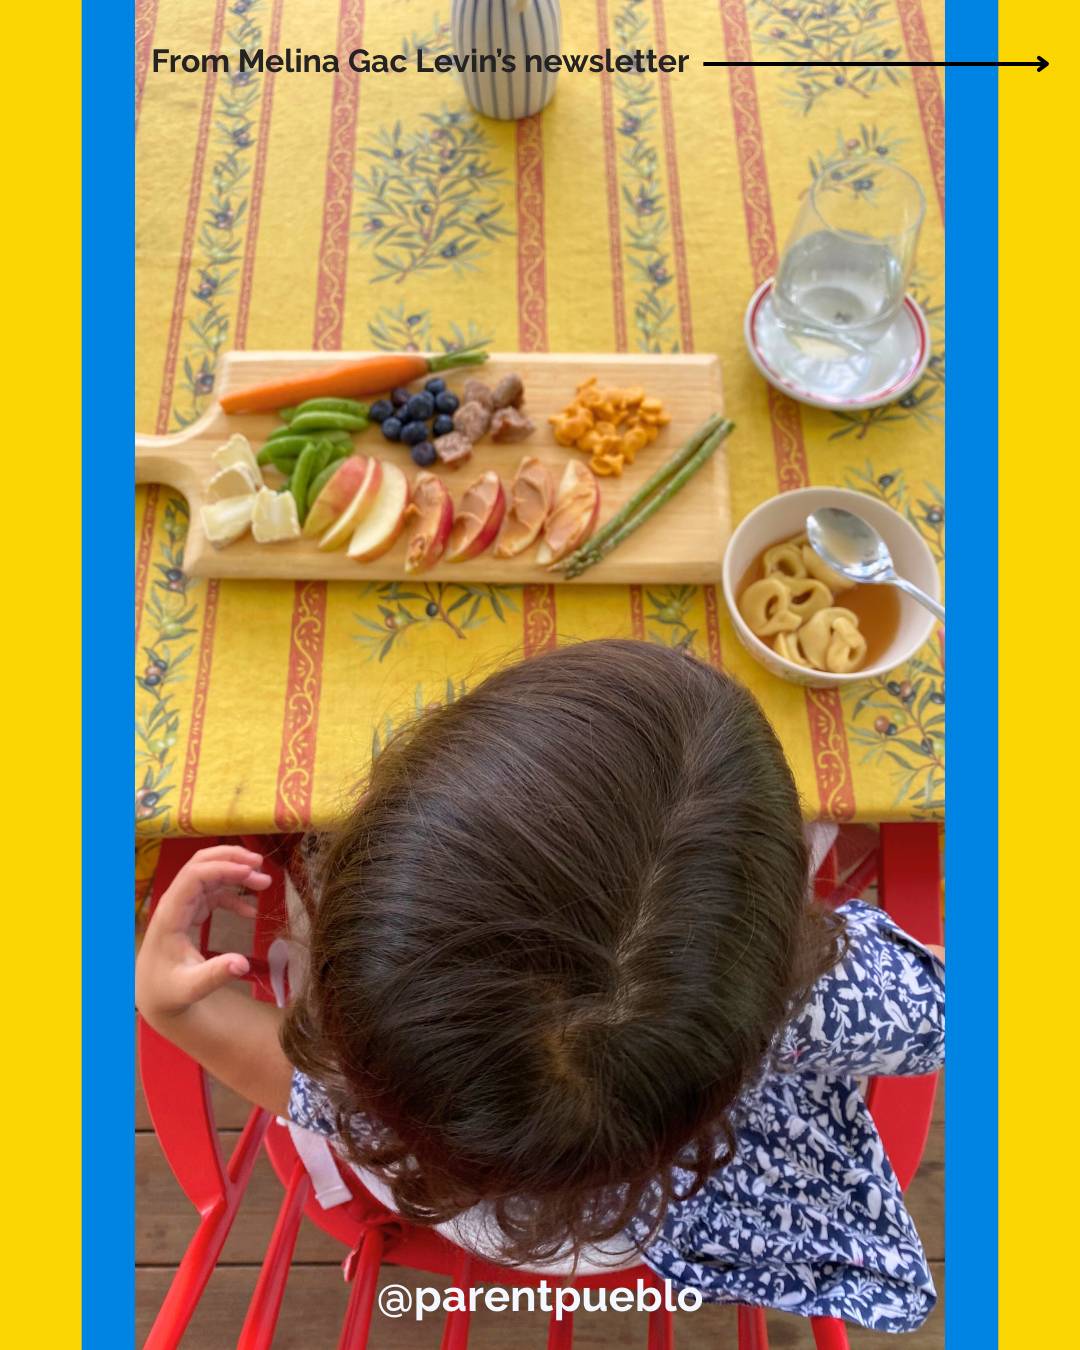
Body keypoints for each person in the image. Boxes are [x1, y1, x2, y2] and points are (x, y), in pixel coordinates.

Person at [136, 639, 944, 1332]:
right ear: (780, 960)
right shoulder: (806, 1003)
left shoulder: (395, 1095)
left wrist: (170, 1004)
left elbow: (295, 1080)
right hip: (664, 1210)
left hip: (469, 1203)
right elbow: (937, 1010)